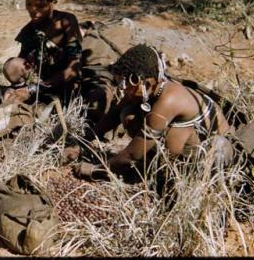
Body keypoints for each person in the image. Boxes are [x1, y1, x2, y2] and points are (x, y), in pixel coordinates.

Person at [75, 43, 232, 179]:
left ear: (148, 84)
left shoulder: (169, 100)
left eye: (127, 89)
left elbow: (132, 154)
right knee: (128, 113)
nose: (124, 93)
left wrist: (97, 170)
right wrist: (82, 144)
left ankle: (174, 175)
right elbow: (114, 114)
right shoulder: (151, 87)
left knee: (167, 137)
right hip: (188, 144)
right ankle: (153, 165)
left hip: (212, 154)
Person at [2, 0, 83, 106]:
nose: (33, 10)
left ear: (53, 1)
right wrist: (17, 88)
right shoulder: (30, 29)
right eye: (28, 4)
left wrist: (34, 89)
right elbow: (22, 62)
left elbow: (74, 68)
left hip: (64, 81)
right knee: (11, 66)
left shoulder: (66, 22)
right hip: (40, 80)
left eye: (40, 5)